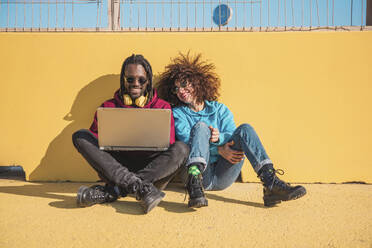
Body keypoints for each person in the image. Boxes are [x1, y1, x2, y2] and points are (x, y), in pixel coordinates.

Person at [157, 52, 306, 208]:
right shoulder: (178, 113)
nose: (180, 90)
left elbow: (232, 135)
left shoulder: (220, 109)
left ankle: (270, 182)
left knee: (245, 129)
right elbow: (188, 144)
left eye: (183, 84)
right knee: (200, 127)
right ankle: (195, 184)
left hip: (223, 175)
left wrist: (220, 139)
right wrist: (219, 149)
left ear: (197, 83)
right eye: (176, 89)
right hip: (198, 178)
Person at [72, 54, 189, 214]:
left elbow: (168, 144)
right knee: (81, 136)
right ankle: (139, 188)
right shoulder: (108, 106)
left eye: (141, 80)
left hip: (153, 170)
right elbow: (97, 147)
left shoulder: (162, 107)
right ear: (123, 79)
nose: (135, 84)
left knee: (182, 148)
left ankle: (115, 191)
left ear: (148, 81)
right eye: (130, 79)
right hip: (118, 167)